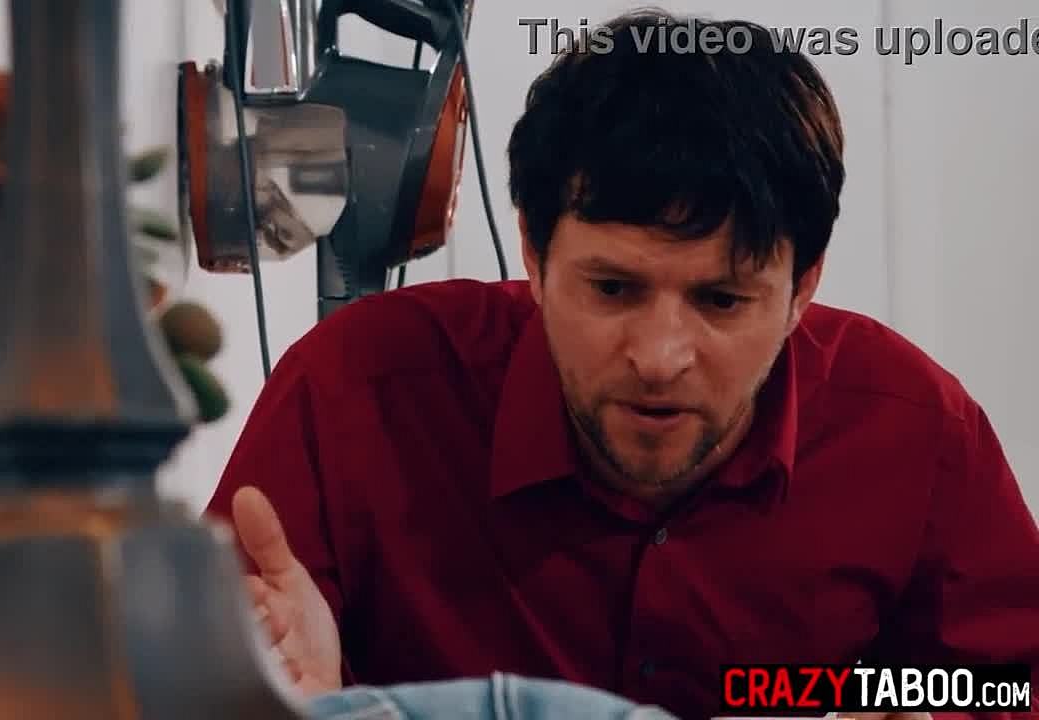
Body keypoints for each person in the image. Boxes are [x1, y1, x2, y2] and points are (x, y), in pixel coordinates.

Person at [205, 9, 1039, 719]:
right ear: (534, 255)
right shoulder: (357, 392)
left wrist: (843, 700)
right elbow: (200, 682)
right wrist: (278, 699)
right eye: (612, 288)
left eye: (722, 301)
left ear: (803, 288)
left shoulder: (913, 429)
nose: (659, 358)